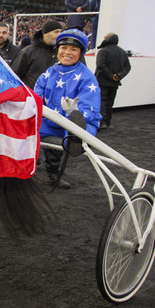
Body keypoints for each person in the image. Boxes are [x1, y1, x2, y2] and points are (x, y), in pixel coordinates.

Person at [34, 29, 102, 189]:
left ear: (80, 53)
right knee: (25, 129)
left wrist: (74, 113)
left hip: (78, 123)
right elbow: (35, 99)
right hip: (51, 121)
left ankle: (74, 139)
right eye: (64, 48)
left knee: (78, 131)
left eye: (73, 49)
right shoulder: (47, 74)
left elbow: (91, 109)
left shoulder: (87, 78)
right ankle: (27, 168)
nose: (67, 52)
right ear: (58, 49)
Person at [94, 32, 130, 129]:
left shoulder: (103, 51)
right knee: (110, 103)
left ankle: (101, 122)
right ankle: (107, 122)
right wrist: (118, 76)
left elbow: (100, 65)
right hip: (114, 83)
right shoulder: (123, 52)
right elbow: (127, 67)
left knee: (101, 101)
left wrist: (111, 76)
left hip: (102, 81)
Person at [11, 20, 62, 88]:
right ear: (45, 33)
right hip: (31, 95)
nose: (60, 34)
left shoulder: (61, 52)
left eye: (61, 32)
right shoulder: (28, 52)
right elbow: (14, 74)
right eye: (56, 32)